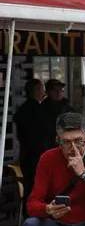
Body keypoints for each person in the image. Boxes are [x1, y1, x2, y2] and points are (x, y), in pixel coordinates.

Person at [14, 78, 47, 206]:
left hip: (27, 155)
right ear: (36, 90)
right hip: (35, 156)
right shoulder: (36, 110)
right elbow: (39, 134)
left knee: (30, 186)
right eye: (42, 88)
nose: (44, 91)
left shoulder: (23, 109)